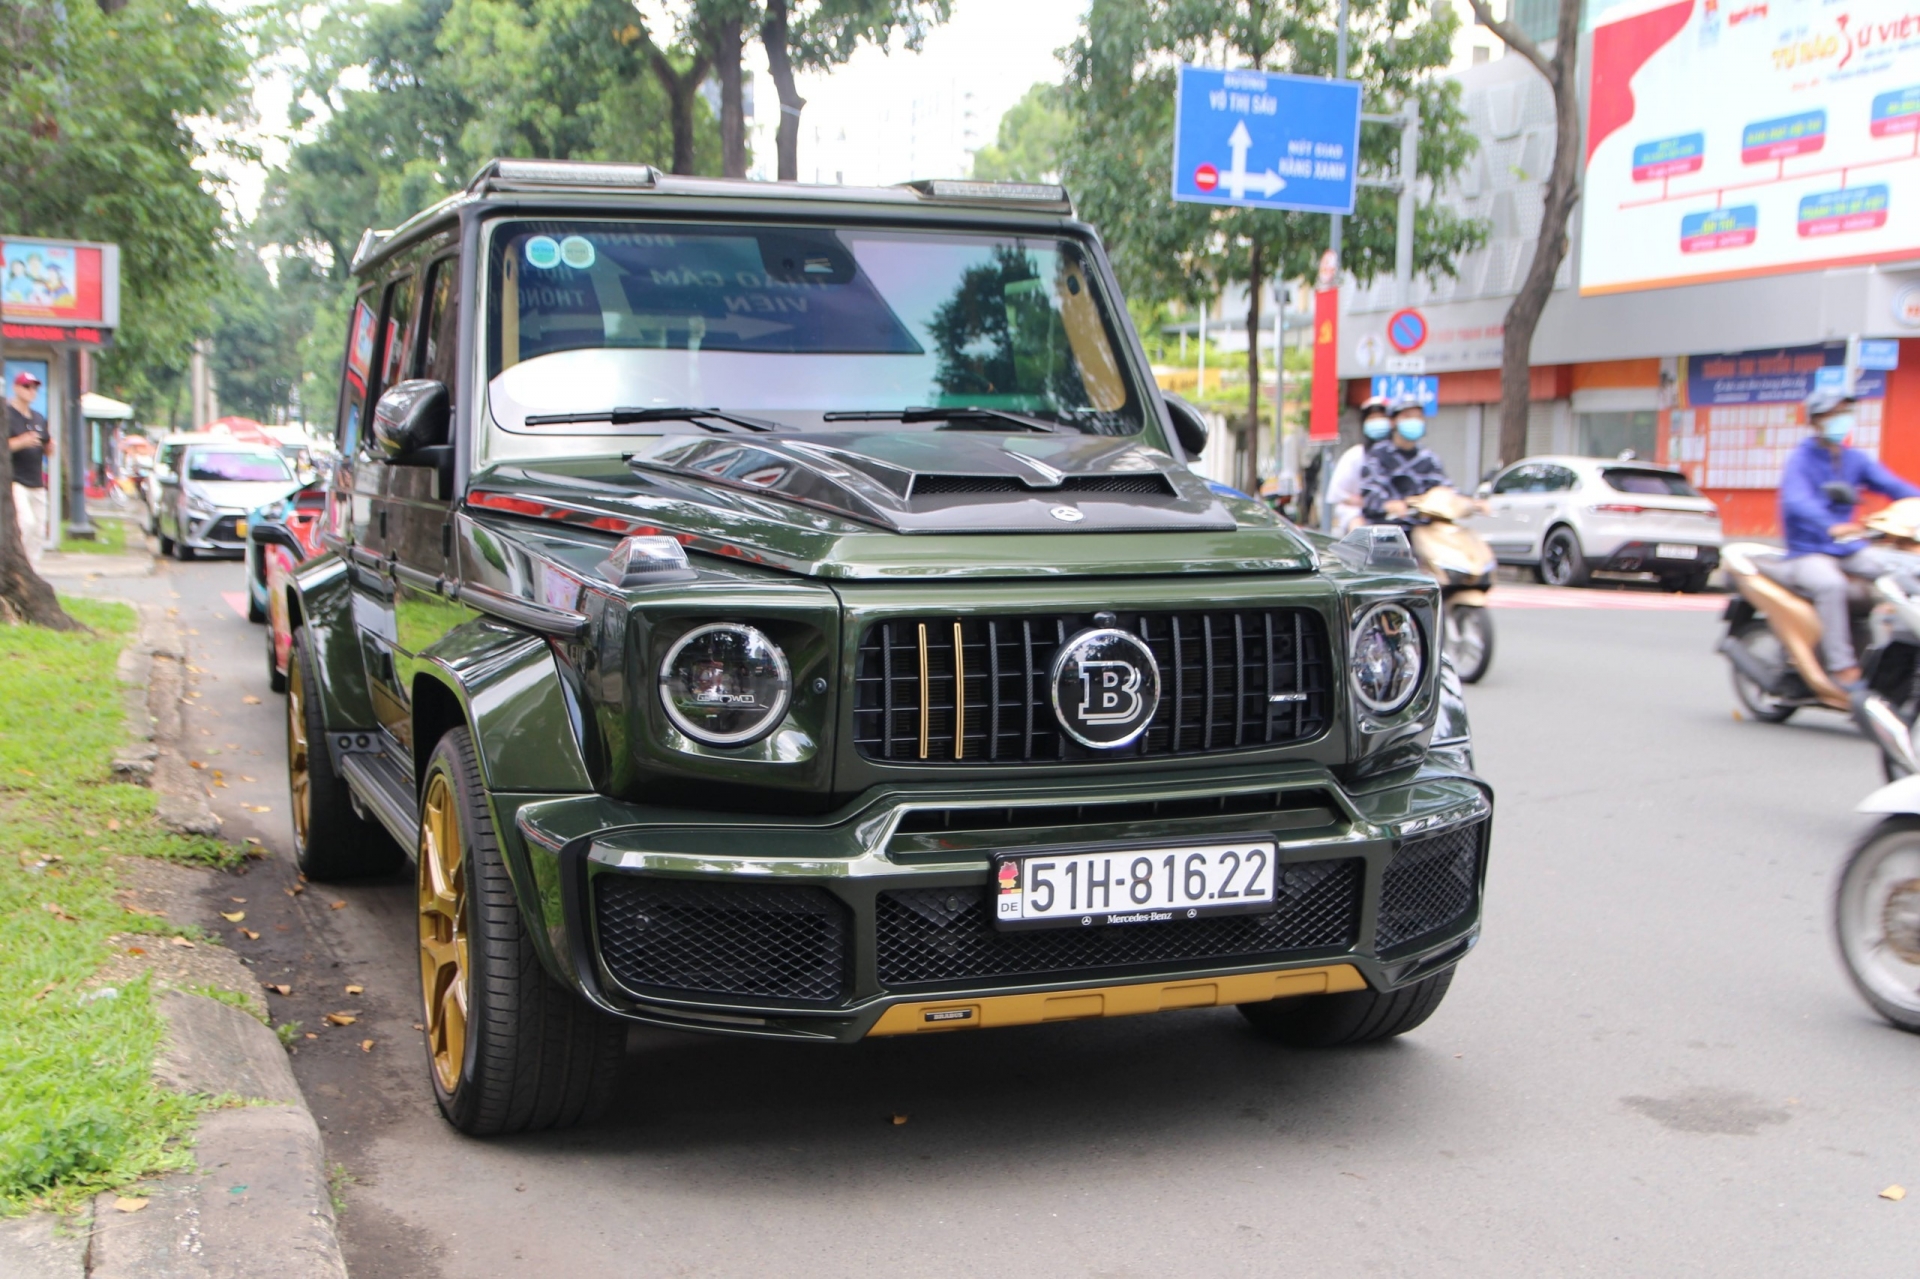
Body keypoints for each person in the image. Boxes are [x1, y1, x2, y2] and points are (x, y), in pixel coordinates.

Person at [1771, 390, 1920, 687]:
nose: (1841, 420)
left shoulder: (1854, 459)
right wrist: (1830, 525)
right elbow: (1797, 501)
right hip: (1808, 550)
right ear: (1816, 420)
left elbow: (1893, 485)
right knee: (1831, 585)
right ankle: (1842, 667)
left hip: (1849, 548)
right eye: (1834, 414)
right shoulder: (1800, 459)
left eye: (1845, 413)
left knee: (1907, 571)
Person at [1360, 397, 1452, 523]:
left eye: (1418, 417)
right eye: (1407, 416)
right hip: (1387, 531)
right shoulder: (1378, 456)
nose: (1413, 421)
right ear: (1393, 422)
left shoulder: (1429, 459)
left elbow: (1444, 487)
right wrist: (1389, 506)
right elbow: (1370, 496)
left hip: (1423, 528)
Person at [1326, 396, 1391, 533]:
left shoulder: (1401, 457)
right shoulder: (1355, 455)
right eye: (1372, 419)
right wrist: (1367, 503)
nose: (1378, 422)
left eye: (1382, 418)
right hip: (1358, 513)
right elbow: (1338, 494)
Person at [6, 370, 50, 565]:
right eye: (26, 386)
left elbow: (47, 445)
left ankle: (31, 567)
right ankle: (15, 563)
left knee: (39, 528)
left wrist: (50, 446)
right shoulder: (7, 415)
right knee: (26, 522)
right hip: (16, 480)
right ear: (16, 388)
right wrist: (22, 442)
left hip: (36, 481)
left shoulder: (38, 418)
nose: (31, 391)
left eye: (34, 387)